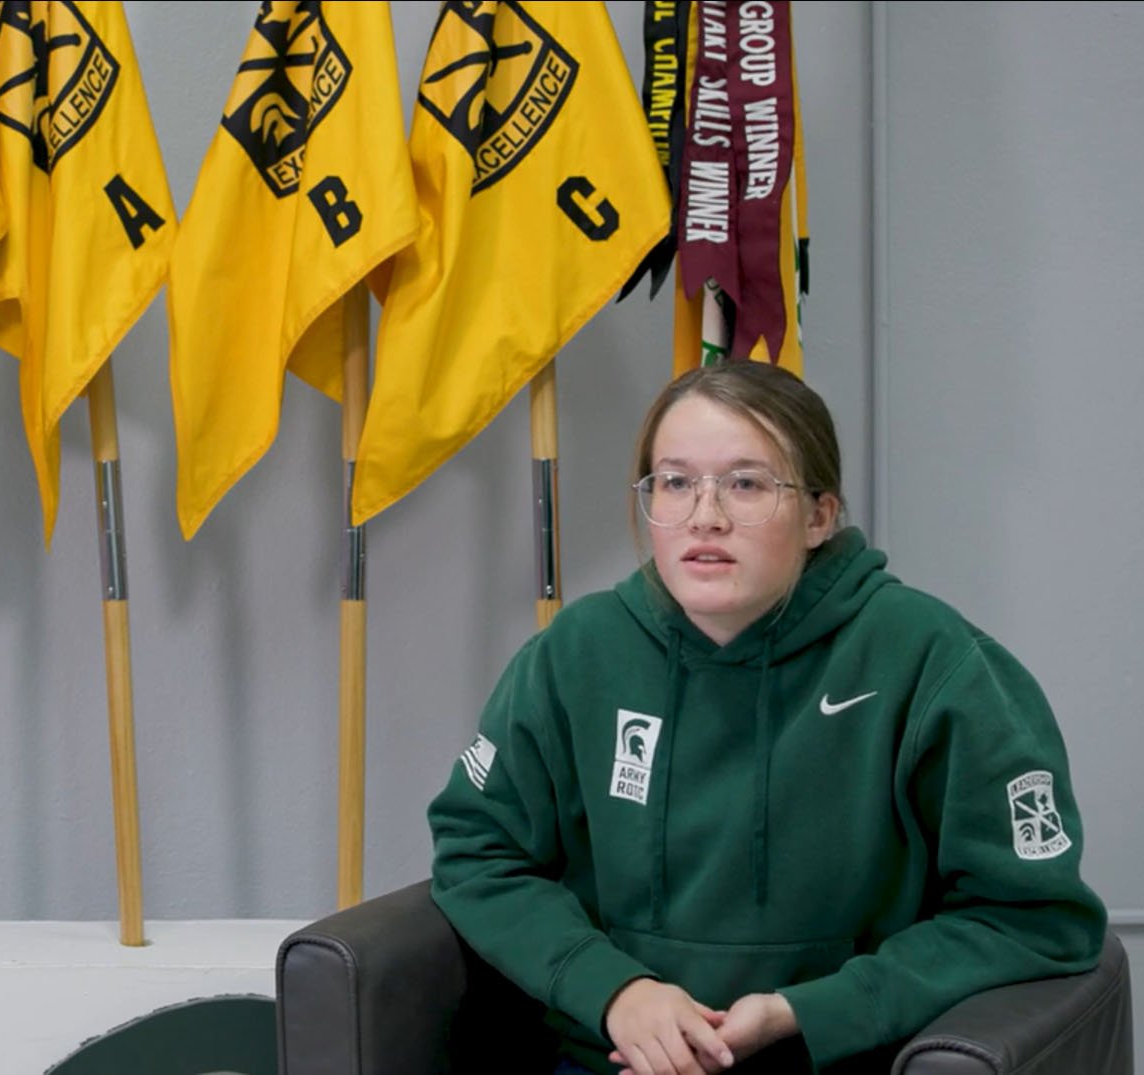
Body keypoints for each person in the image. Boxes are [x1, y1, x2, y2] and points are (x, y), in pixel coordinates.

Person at [427, 362, 1108, 1075]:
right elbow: (479, 848)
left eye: (747, 483)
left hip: (838, 1059)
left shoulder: (933, 662)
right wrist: (617, 990)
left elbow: (1033, 917)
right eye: (676, 481)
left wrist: (803, 1011)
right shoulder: (575, 653)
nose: (705, 515)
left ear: (819, 514)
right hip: (618, 1060)